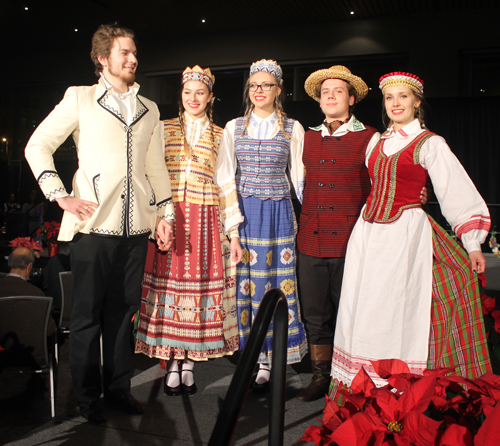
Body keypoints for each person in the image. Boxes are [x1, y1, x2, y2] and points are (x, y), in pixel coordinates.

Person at [25, 24, 174, 423]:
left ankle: (119, 389)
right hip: (92, 226)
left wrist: (165, 216)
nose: (132, 58)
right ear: (103, 58)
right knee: (87, 316)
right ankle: (88, 397)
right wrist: (61, 195)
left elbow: (155, 168)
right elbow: (37, 145)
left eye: (134, 52)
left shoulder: (150, 109)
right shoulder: (80, 99)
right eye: (124, 52)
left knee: (123, 313)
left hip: (136, 227)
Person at [329, 72, 491, 400]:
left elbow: (454, 189)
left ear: (417, 102)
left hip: (403, 235)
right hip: (368, 235)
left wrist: (472, 243)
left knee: (395, 306)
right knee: (362, 306)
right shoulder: (378, 142)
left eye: (403, 97)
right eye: (390, 98)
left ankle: (393, 386)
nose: (396, 103)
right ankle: (360, 384)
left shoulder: (430, 143)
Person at [135, 66, 242, 396]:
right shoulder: (162, 128)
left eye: (200, 92)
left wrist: (234, 233)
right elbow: (149, 176)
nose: (193, 98)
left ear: (210, 97)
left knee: (195, 293)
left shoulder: (221, 134)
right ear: (180, 96)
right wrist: (155, 218)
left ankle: (190, 363)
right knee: (168, 289)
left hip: (204, 219)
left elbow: (226, 182)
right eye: (187, 92)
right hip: (169, 217)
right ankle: (171, 361)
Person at [215, 59, 307, 391]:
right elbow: (225, 177)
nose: (259, 91)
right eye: (254, 85)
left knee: (275, 285)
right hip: (245, 214)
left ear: (278, 90)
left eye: (266, 85)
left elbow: (299, 178)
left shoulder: (292, 128)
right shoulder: (233, 127)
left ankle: (271, 357)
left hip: (278, 214)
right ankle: (251, 354)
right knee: (245, 285)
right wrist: (233, 227)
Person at [295, 66, 379, 401]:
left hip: (349, 240)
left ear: (351, 99)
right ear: (319, 100)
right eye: (325, 92)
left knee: (350, 311)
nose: (330, 96)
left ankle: (351, 377)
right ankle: (320, 376)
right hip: (310, 241)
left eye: (338, 91)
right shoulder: (306, 136)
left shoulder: (369, 136)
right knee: (315, 313)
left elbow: (383, 182)